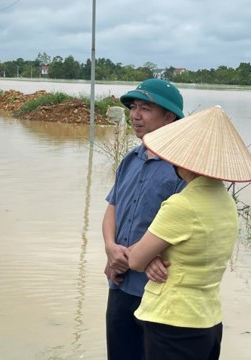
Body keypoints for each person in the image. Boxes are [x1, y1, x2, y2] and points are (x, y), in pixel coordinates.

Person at [127, 106, 251, 360]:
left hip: (172, 321)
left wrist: (145, 257)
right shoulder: (225, 201)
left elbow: (135, 260)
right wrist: (150, 257)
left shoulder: (182, 204)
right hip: (208, 320)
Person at [103, 78, 185, 360]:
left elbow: (185, 226)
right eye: (134, 107)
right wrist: (110, 248)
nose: (135, 115)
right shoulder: (131, 159)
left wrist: (146, 256)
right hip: (120, 283)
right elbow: (112, 208)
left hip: (156, 291)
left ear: (169, 116)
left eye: (146, 109)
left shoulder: (183, 170)